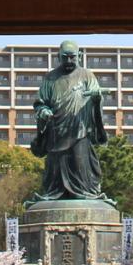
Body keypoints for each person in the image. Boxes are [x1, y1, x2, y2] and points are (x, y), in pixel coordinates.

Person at [29, 40, 108, 200]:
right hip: (56, 130)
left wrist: (96, 99)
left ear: (79, 56)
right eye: (65, 57)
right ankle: (54, 193)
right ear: (59, 56)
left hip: (80, 129)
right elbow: (39, 103)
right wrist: (43, 111)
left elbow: (96, 98)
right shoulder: (50, 78)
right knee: (55, 168)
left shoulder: (87, 75)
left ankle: (85, 191)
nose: (69, 61)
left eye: (72, 57)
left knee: (80, 164)